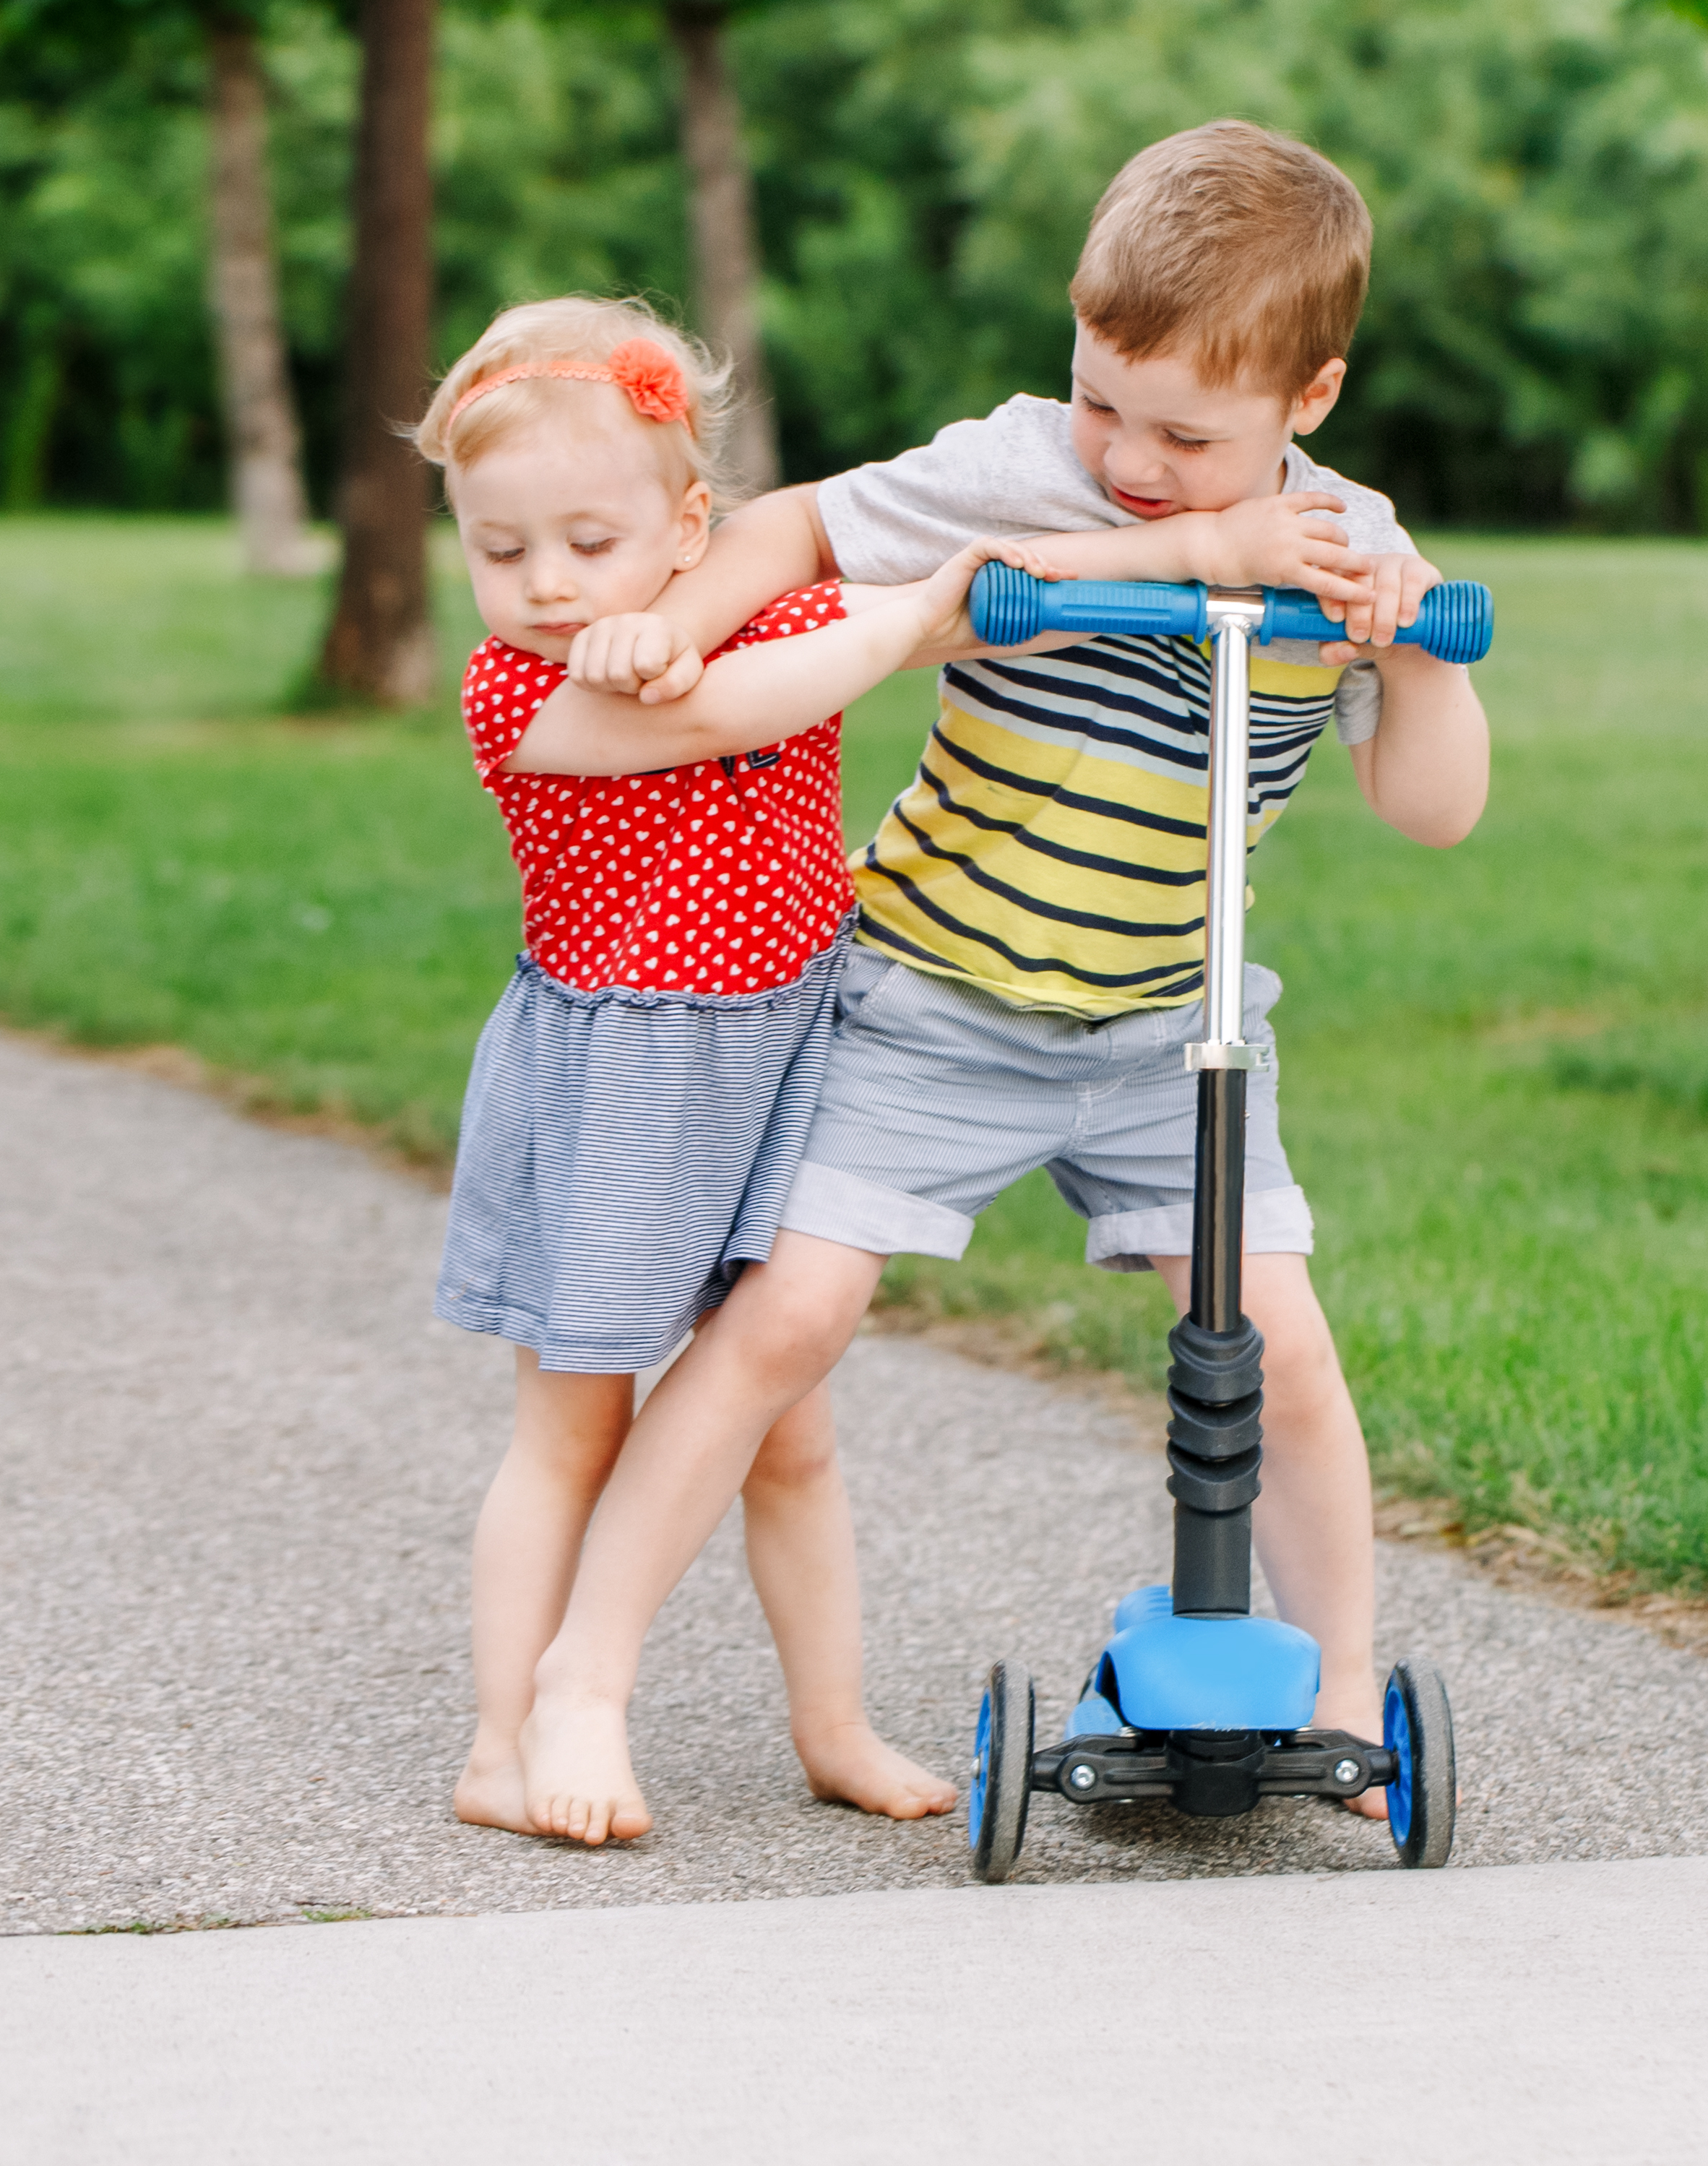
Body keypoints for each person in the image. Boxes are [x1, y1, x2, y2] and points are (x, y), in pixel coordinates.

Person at [517, 121, 1491, 1843]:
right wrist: (682, 611)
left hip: (1173, 1035)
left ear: (1310, 399)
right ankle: (579, 1687)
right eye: (1101, 398)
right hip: (935, 996)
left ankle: (1342, 1701)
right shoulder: (1019, 467)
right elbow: (808, 524)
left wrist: (1413, 655)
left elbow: (1432, 813)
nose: (1125, 454)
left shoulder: (1349, 546)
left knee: (1284, 1346)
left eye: (1186, 435)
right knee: (788, 1322)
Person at [423, 295, 978, 1844]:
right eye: (499, 544)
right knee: (574, 1425)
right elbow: (752, 706)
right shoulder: (516, 694)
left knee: (784, 1420)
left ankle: (835, 1725)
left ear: (689, 526)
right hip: (618, 1081)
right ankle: (498, 1740)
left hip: (790, 1051)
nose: (539, 582)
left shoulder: (777, 609)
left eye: (587, 544)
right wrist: (884, 624)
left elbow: (855, 602)